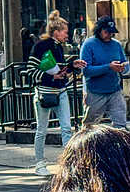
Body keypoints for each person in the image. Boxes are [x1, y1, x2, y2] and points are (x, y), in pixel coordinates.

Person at [26, 10, 86, 176]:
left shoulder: (58, 47)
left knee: (66, 128)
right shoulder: (40, 46)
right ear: (56, 32)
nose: (67, 35)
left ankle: (68, 164)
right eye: (65, 32)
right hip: (44, 93)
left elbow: (60, 68)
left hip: (61, 91)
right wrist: (50, 76)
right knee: (42, 130)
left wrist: (72, 65)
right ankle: (39, 163)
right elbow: (30, 69)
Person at [79, 15, 130, 128]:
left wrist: (123, 68)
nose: (109, 35)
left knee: (121, 123)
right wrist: (108, 67)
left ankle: (120, 144)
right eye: (106, 32)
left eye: (112, 32)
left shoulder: (116, 45)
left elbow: (126, 65)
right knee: (90, 126)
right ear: (99, 30)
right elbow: (86, 71)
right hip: (95, 92)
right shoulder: (88, 44)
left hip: (114, 91)